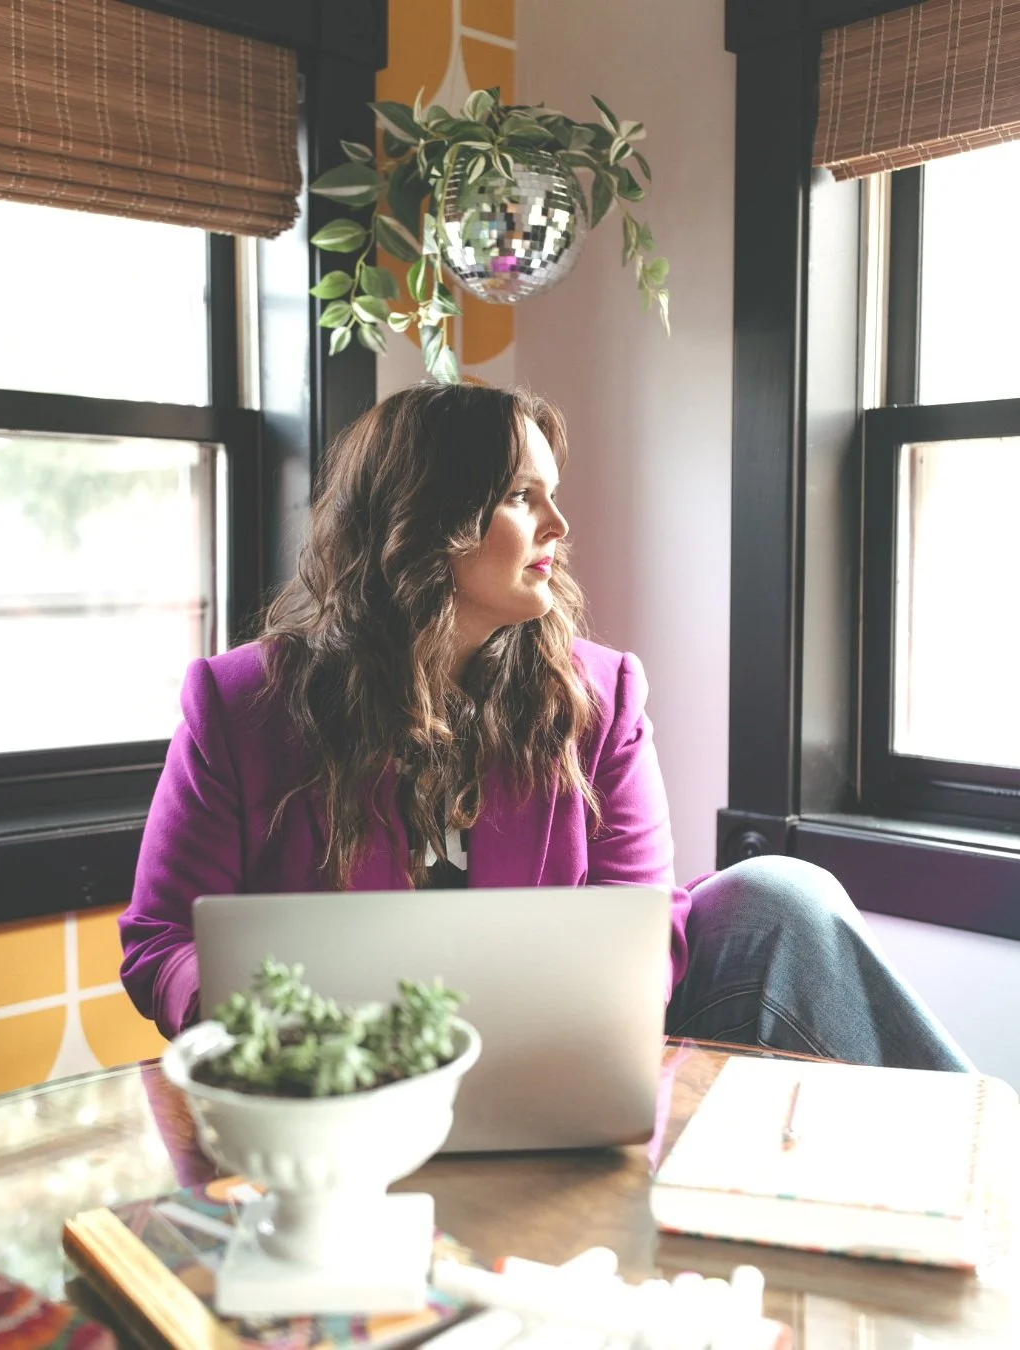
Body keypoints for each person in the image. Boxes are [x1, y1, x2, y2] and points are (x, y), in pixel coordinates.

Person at [119, 382, 972, 1072]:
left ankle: (984, 1172)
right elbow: (160, 940)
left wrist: (580, 1043)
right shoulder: (242, 705)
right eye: (522, 499)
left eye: (550, 497)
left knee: (783, 895)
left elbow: (642, 923)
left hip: (552, 1052)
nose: (558, 529)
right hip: (346, 1082)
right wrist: (264, 1032)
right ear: (428, 517)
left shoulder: (598, 695)